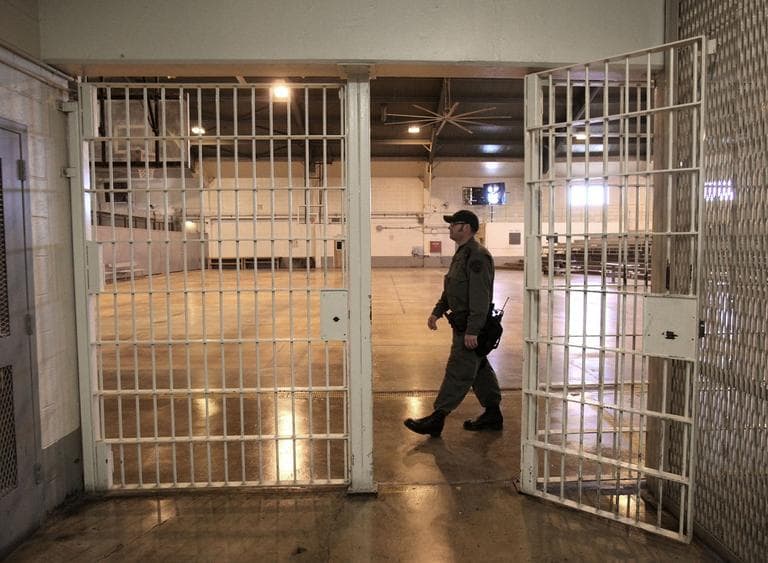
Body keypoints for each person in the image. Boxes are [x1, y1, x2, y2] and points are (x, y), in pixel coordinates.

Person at [404, 209, 503, 437]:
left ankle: (437, 418)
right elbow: (452, 288)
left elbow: (480, 296)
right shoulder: (462, 254)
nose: (449, 228)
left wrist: (473, 330)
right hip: (462, 323)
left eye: (453, 224)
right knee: (479, 369)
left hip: (470, 326)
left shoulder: (477, 256)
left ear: (465, 227)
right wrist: (437, 311)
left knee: (458, 370)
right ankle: (493, 413)